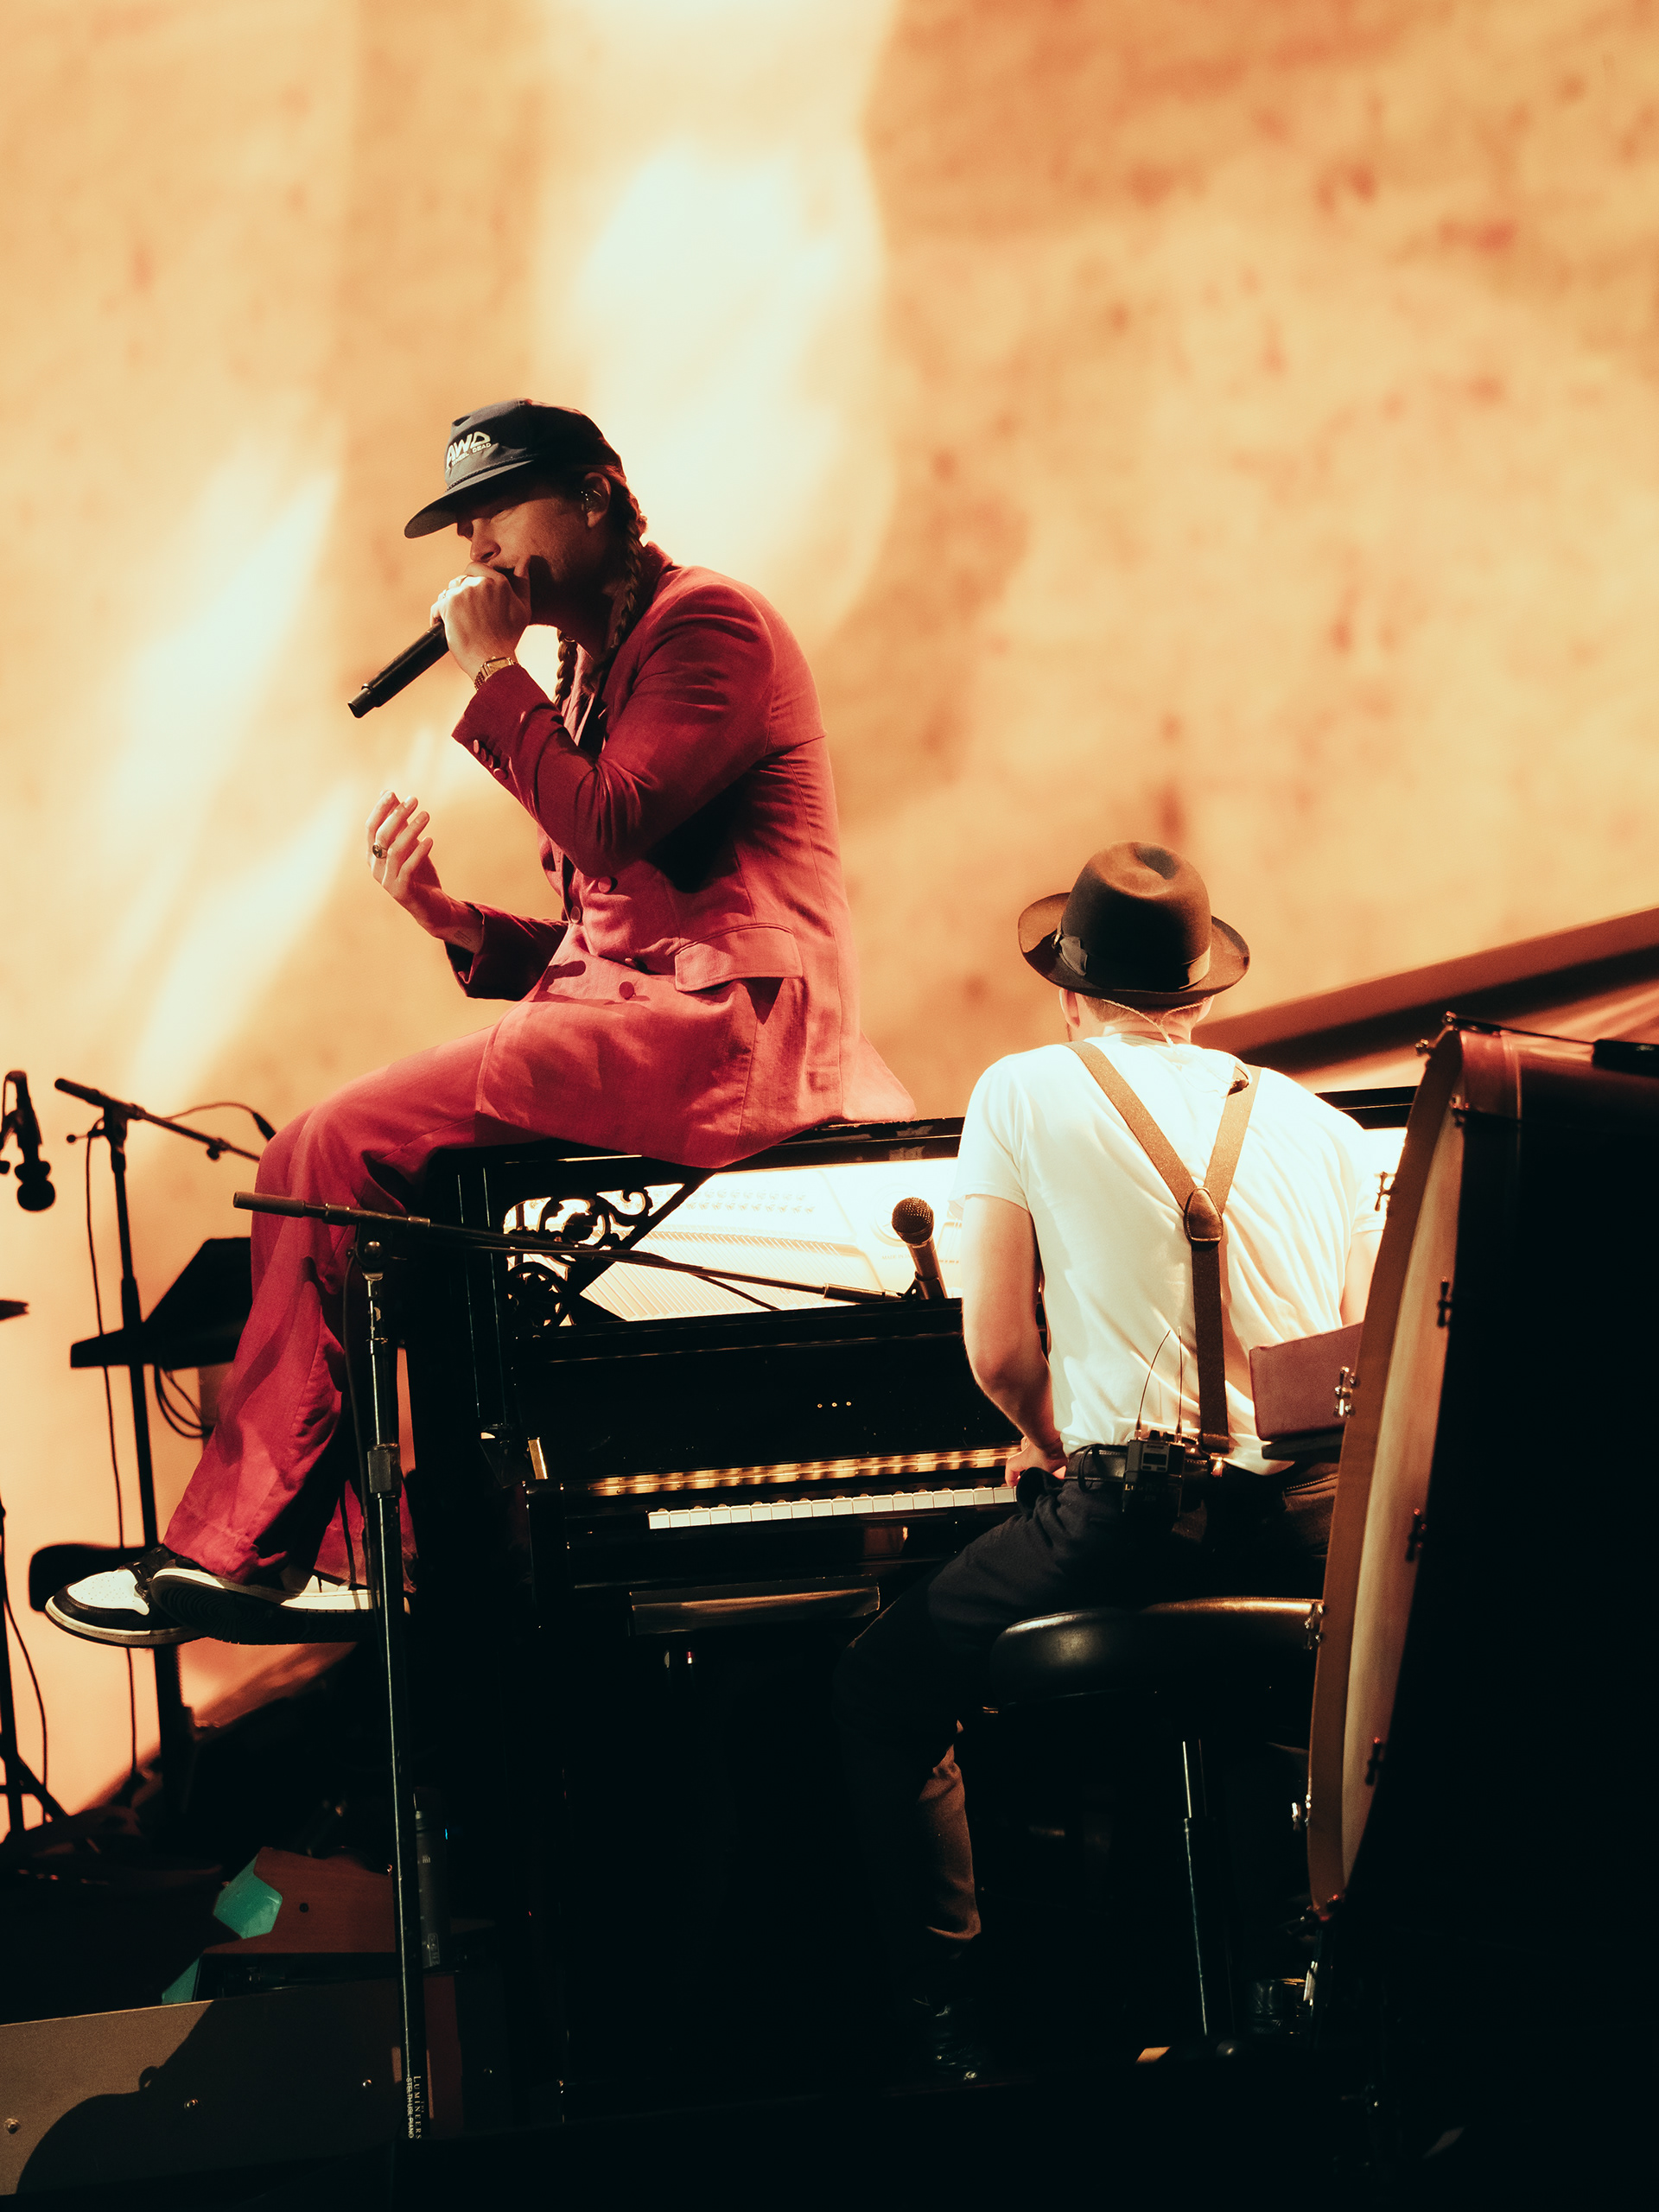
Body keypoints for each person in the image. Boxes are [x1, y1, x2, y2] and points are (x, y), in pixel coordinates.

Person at [50, 399, 911, 1650]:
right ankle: (361, 1552)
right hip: (651, 1022)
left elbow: (608, 825)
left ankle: (244, 1550)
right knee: (389, 1218)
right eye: (465, 528)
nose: (481, 550)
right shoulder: (593, 664)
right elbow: (608, 935)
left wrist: (492, 675)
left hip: (730, 1037)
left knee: (327, 1148)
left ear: (599, 494)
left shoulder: (710, 624)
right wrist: (452, 919)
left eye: (499, 511)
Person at [832, 841, 1381, 2076]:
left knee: (881, 1692)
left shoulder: (1021, 1092)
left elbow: (998, 1354)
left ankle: (955, 2032)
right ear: (1201, 997)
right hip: (1311, 1529)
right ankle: (1298, 2002)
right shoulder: (1331, 1132)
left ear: (1071, 995)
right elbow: (1349, 1368)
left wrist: (1043, 1446)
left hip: (1135, 1521)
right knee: (1258, 1699)